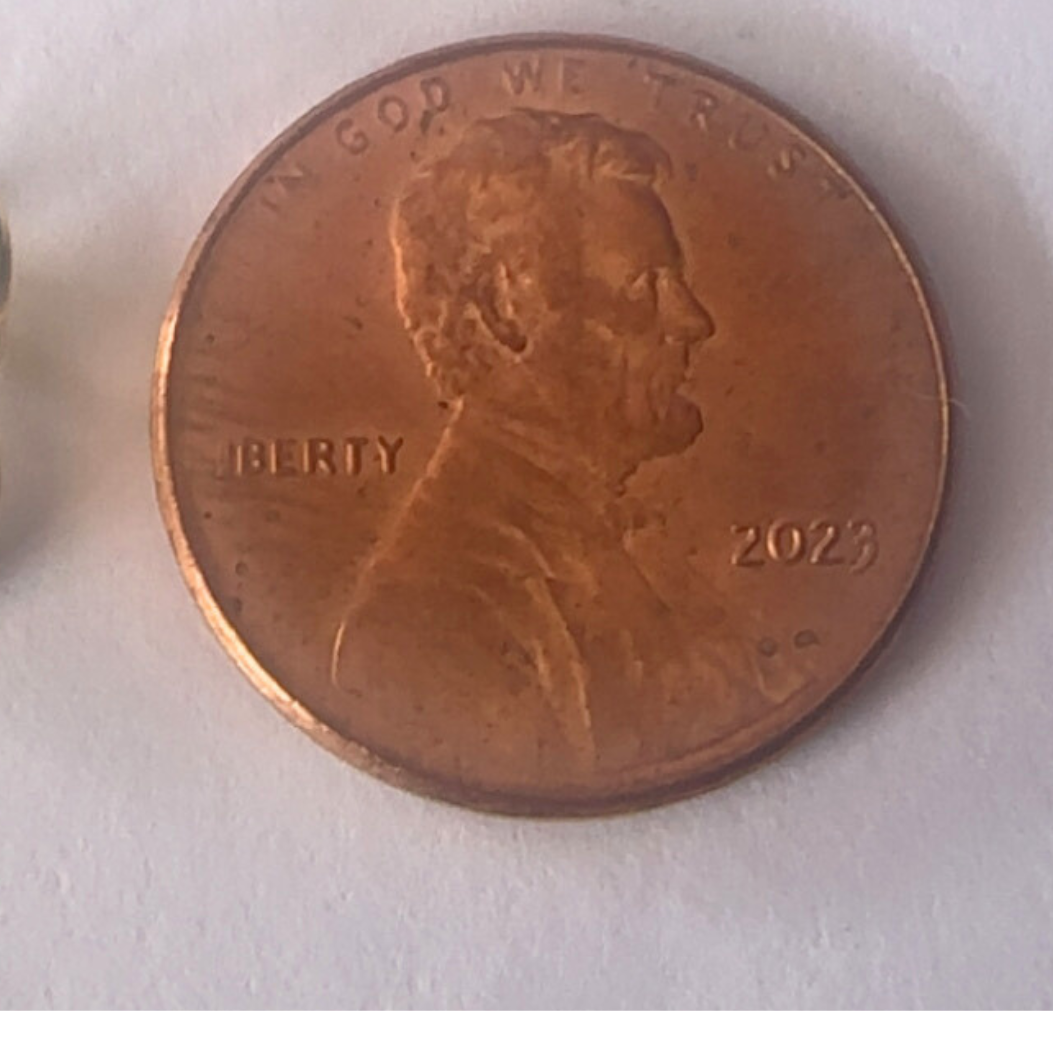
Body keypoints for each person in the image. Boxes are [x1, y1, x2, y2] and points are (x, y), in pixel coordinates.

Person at [330, 110, 782, 781]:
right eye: (643, 285)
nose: (693, 320)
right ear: (507, 306)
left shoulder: (623, 550)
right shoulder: (433, 623)